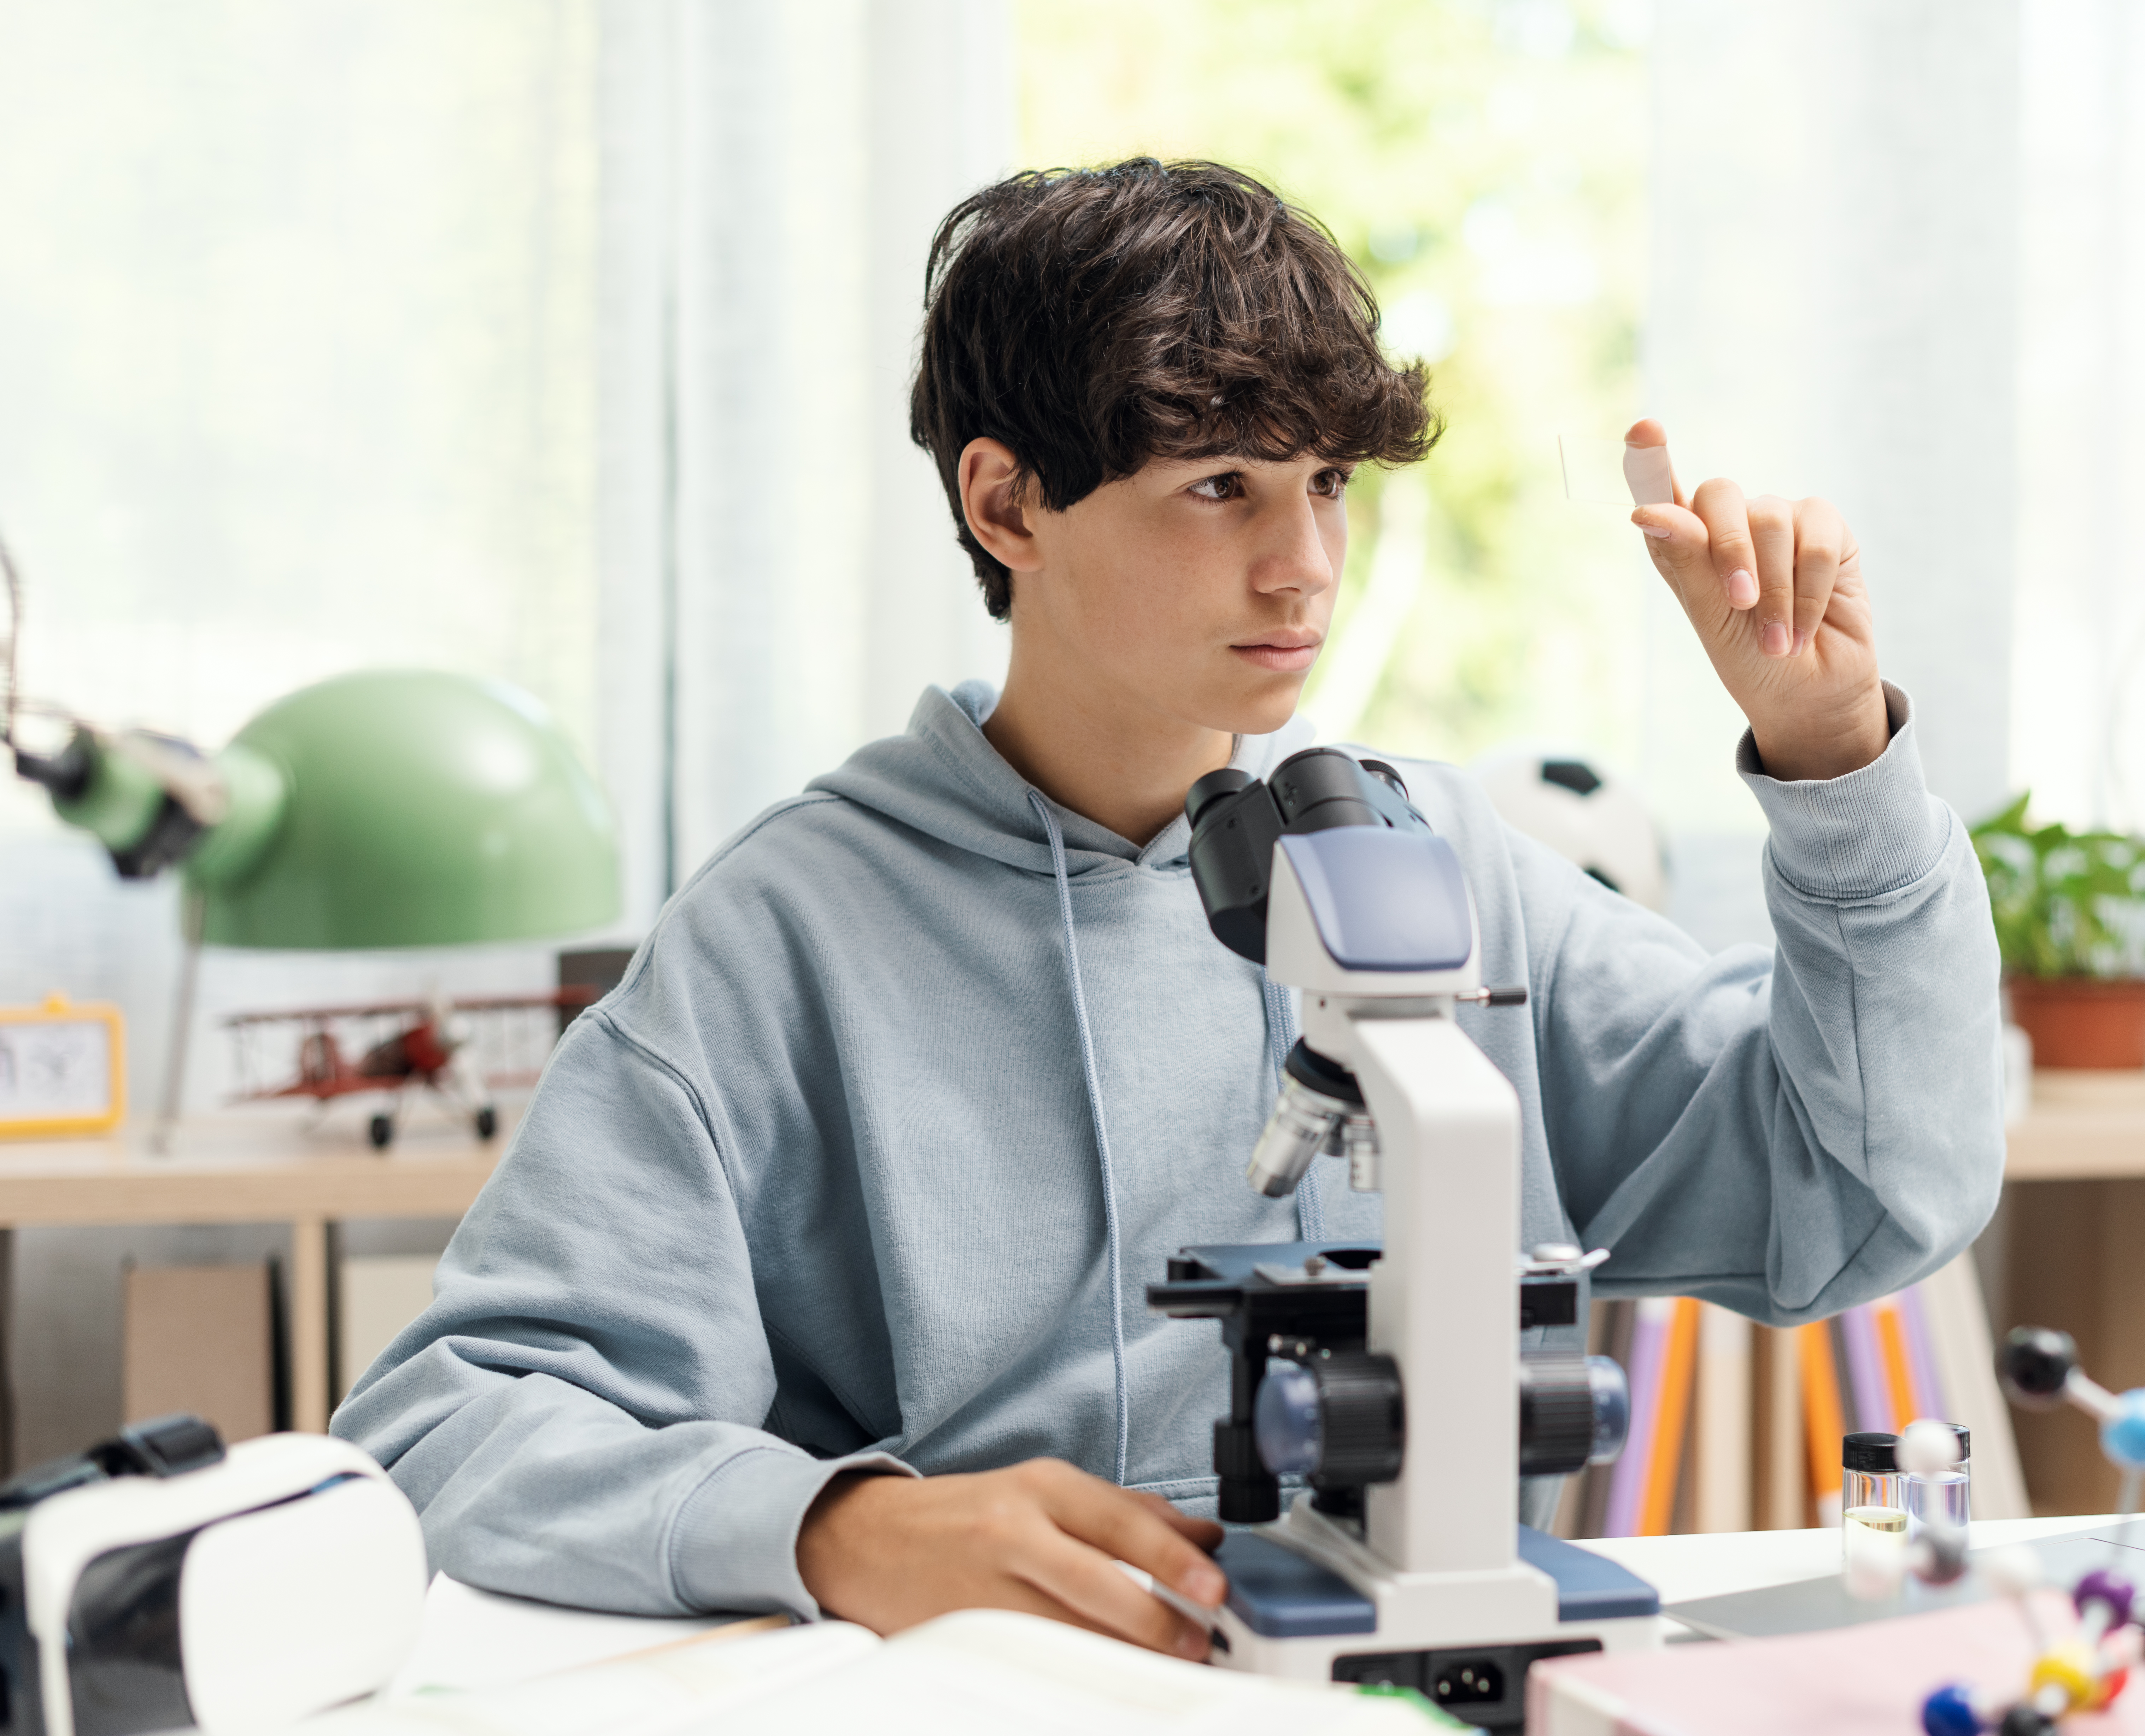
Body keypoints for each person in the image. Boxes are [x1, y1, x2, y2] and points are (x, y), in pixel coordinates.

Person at [333, 159, 2002, 1664]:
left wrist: (1831, 754)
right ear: (1008, 507)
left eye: (1329, 483)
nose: (1304, 567)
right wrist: (834, 1528)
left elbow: (1868, 1193)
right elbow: (447, 1426)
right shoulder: (785, 934)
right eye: (1220, 488)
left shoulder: (1436, 862)